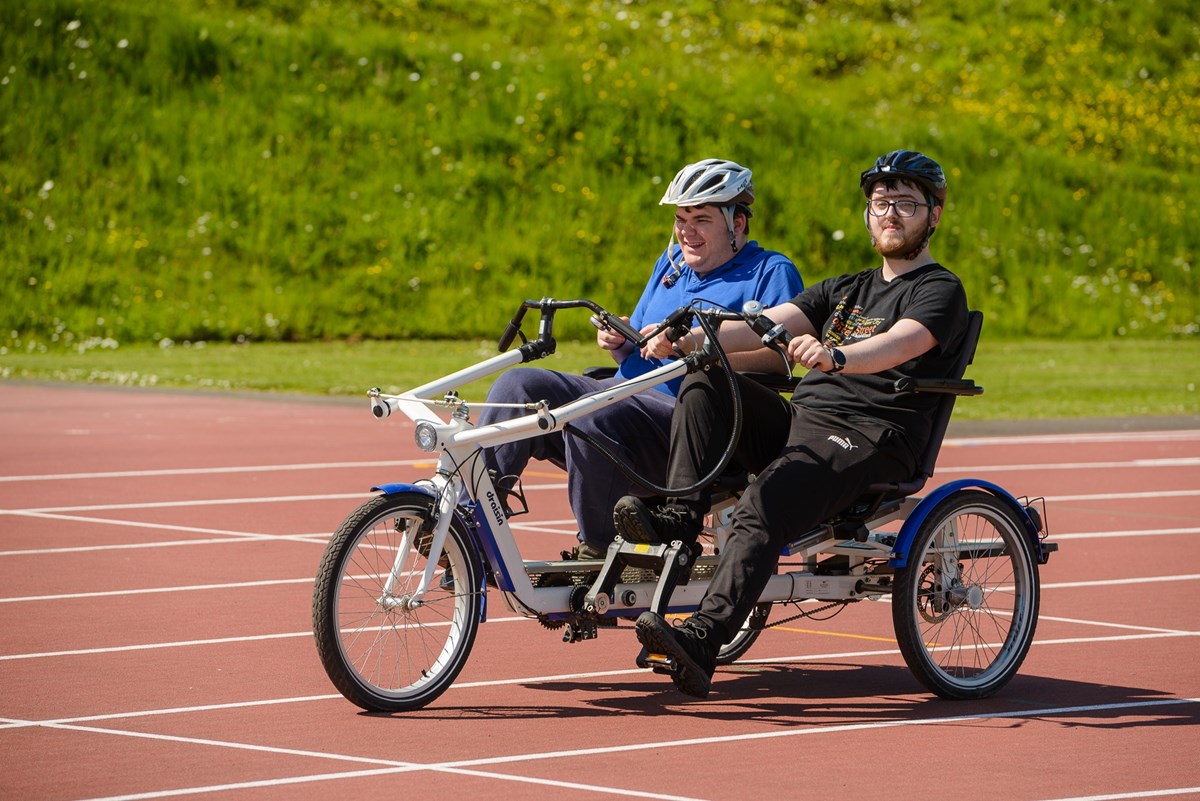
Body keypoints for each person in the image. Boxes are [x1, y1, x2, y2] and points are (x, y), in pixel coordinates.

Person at [614, 150, 970, 698]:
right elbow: (763, 326)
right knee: (707, 380)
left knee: (762, 503)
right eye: (880, 204)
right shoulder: (844, 288)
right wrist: (688, 338)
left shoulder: (938, 288)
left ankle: (703, 640)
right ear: (867, 215)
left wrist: (840, 356)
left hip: (870, 434)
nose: (890, 215)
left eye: (905, 204)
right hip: (805, 420)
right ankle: (679, 522)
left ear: (934, 215)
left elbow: (905, 341)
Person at [475, 158, 804, 558]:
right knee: (519, 386)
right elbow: (645, 344)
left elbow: (784, 359)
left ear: (737, 224)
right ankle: (475, 522)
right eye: (681, 219)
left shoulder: (770, 271)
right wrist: (621, 341)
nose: (687, 231)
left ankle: (599, 548)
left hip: (690, 425)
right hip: (626, 395)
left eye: (702, 219)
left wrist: (698, 350)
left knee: (591, 412)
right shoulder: (670, 267)